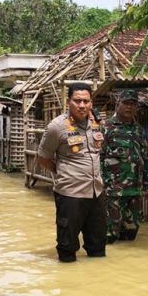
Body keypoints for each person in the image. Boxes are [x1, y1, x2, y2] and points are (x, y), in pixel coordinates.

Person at [37, 83, 106, 262]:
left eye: (86, 101)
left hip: (96, 192)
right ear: (68, 102)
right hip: (70, 194)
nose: (82, 105)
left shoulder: (97, 123)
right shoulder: (56, 127)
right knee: (67, 249)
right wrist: (61, 173)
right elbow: (43, 158)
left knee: (98, 247)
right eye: (77, 101)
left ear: (91, 103)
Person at [101, 89, 148, 243]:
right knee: (109, 236)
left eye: (133, 104)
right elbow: (98, 157)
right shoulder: (106, 127)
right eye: (126, 103)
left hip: (135, 191)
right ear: (118, 104)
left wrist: (147, 184)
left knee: (131, 235)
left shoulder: (138, 129)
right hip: (113, 192)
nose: (129, 107)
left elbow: (146, 157)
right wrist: (100, 184)